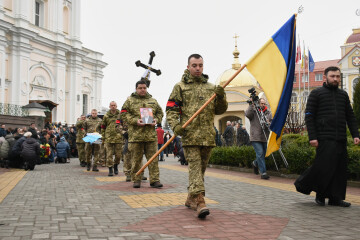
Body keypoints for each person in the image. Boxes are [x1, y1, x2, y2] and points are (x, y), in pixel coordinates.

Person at [166, 54, 228, 218]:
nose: (198, 68)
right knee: (194, 168)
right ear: (188, 67)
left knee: (200, 171)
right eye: (194, 65)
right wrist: (176, 126)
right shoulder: (180, 87)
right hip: (190, 136)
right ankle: (200, 202)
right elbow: (171, 110)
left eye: (200, 65)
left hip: (207, 136)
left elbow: (220, 110)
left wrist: (221, 97)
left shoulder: (211, 87)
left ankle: (190, 198)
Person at [294, 66, 360, 207]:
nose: (335, 79)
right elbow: (309, 117)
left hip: (340, 137)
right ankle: (319, 195)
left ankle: (335, 198)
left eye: (337, 76)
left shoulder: (343, 95)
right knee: (324, 167)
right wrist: (312, 137)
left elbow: (350, 116)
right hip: (323, 137)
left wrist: (355, 134)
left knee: (339, 169)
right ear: (325, 77)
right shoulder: (316, 93)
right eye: (332, 76)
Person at [120, 80, 164, 188]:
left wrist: (156, 120)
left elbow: (160, 112)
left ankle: (154, 180)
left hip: (150, 136)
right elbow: (123, 114)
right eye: (140, 88)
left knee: (153, 159)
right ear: (136, 89)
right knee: (136, 160)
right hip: (136, 136)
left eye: (144, 88)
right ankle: (136, 179)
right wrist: (135, 120)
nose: (142, 90)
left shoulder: (152, 100)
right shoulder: (130, 101)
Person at [245, 98, 272, 179]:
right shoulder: (254, 111)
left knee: (264, 154)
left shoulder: (268, 112)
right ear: (258, 103)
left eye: (264, 104)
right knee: (260, 153)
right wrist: (250, 105)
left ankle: (255, 163)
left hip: (265, 136)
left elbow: (272, 122)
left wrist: (269, 123)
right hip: (255, 136)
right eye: (261, 103)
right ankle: (263, 173)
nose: (263, 105)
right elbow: (247, 114)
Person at [101, 101, 123, 176]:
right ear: (109, 106)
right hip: (109, 138)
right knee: (109, 155)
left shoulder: (120, 115)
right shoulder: (106, 116)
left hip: (118, 138)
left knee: (118, 155)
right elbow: (103, 127)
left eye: (114, 105)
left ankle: (116, 165)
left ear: (116, 106)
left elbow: (124, 125)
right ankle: (110, 169)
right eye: (112, 105)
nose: (113, 106)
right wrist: (103, 137)